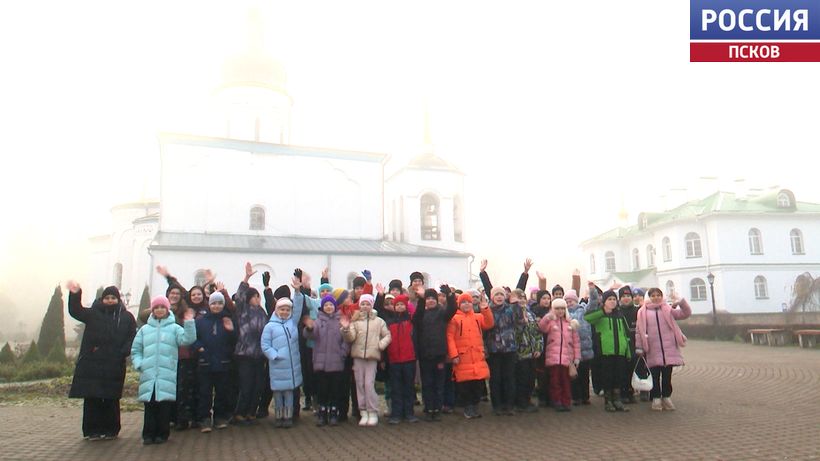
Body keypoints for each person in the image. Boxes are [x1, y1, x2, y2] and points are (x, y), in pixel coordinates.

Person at [66, 281, 136, 441]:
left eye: (113, 297)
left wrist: (124, 351)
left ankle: (111, 429)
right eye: (107, 297)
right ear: (102, 299)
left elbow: (132, 335)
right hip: (93, 363)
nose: (110, 300)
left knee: (111, 398)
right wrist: (75, 293)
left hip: (114, 363)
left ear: (118, 299)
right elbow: (75, 310)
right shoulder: (92, 314)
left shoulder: (126, 317)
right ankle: (92, 430)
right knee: (92, 398)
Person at [131, 296, 196, 444]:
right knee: (150, 406)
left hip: (166, 375)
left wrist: (190, 322)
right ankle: (148, 435)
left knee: (164, 407)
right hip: (149, 375)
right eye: (156, 308)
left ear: (167, 310)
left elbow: (187, 340)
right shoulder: (144, 330)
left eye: (162, 307)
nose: (159, 310)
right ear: (152, 311)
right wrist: (140, 364)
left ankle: (162, 434)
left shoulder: (174, 328)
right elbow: (136, 350)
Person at [635, 288, 691, 411]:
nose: (656, 298)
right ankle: (656, 398)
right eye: (653, 295)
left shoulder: (667, 309)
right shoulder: (642, 312)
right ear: (649, 297)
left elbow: (685, 313)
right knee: (654, 375)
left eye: (658, 295)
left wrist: (681, 301)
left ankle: (666, 397)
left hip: (668, 349)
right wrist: (639, 347)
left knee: (667, 376)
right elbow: (639, 331)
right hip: (652, 349)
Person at [341, 294, 391, 426]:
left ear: (372, 305)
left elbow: (387, 335)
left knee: (369, 385)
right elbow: (350, 338)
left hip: (372, 357)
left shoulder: (379, 321)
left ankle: (373, 411)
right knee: (360, 385)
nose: (365, 306)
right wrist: (346, 329)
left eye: (367, 304)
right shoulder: (355, 321)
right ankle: (363, 412)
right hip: (358, 357)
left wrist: (379, 346)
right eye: (362, 304)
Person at [412, 285, 457, 422]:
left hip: (439, 355)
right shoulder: (421, 314)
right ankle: (428, 408)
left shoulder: (442, 313)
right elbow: (416, 317)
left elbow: (452, 309)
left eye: (433, 298)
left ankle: (437, 408)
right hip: (425, 355)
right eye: (428, 298)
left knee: (438, 383)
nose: (430, 300)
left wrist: (449, 295)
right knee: (427, 383)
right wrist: (420, 298)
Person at [232, 263, 270, 425]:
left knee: (257, 385)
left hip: (259, 354)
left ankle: (251, 412)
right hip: (245, 353)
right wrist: (246, 278)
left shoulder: (262, 312)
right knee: (246, 385)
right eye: (254, 296)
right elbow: (240, 295)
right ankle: (240, 412)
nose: (256, 298)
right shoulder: (243, 309)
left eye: (257, 296)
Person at [193, 292, 236, 432]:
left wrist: (231, 331)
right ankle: (204, 418)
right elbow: (193, 337)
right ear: (209, 304)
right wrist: (199, 347)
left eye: (219, 303)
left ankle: (219, 417)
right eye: (213, 303)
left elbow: (234, 341)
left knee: (221, 392)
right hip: (205, 361)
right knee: (205, 392)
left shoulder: (227, 319)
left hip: (222, 362)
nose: (216, 306)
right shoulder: (200, 321)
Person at [447, 293, 494, 419]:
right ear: (459, 305)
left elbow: (489, 323)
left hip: (477, 356)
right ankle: (468, 407)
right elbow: (450, 338)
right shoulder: (454, 319)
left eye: (468, 302)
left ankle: (475, 406)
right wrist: (454, 354)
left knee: (478, 384)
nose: (466, 304)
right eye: (463, 302)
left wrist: (485, 309)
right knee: (465, 386)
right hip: (463, 357)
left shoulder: (478, 317)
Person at [304, 295, 349, 426]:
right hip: (321, 363)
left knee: (335, 389)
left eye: (331, 305)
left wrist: (343, 353)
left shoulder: (340, 320)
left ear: (335, 307)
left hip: (336, 362)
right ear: (322, 307)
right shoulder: (318, 321)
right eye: (326, 305)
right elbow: (311, 335)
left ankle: (334, 412)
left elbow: (346, 341)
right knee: (322, 389)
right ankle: (322, 413)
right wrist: (309, 328)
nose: (329, 307)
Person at [584, 290, 632, 412]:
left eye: (614, 299)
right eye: (609, 299)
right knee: (607, 376)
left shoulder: (620, 315)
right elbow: (587, 318)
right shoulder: (600, 315)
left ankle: (617, 400)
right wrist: (602, 312)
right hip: (605, 351)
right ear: (604, 302)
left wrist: (627, 350)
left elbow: (626, 334)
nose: (612, 302)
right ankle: (608, 401)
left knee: (618, 376)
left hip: (620, 351)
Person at [261, 297, 302, 428]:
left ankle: (288, 416)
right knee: (278, 394)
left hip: (291, 367)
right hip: (277, 366)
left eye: (287, 309)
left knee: (289, 393)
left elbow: (299, 307)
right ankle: (279, 416)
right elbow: (265, 345)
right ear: (276, 310)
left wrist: (297, 292)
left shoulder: (292, 323)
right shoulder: (270, 326)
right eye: (282, 309)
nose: (284, 312)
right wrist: (275, 355)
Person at [379, 290, 418, 424]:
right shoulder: (389, 322)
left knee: (408, 387)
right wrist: (383, 359)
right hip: (394, 359)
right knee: (396, 388)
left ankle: (409, 413)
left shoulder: (412, 320)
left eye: (402, 304)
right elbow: (385, 339)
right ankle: (396, 414)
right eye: (397, 305)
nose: (400, 307)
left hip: (409, 359)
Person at [539, 298, 581, 412]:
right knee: (555, 382)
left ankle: (566, 401)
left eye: (562, 308)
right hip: (553, 358)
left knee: (566, 382)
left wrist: (577, 357)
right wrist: (547, 317)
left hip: (567, 359)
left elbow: (576, 342)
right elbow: (541, 327)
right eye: (557, 308)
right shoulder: (550, 323)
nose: (560, 311)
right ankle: (557, 401)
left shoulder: (571, 323)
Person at [565, 289, 594, 405]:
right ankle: (575, 396)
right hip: (572, 350)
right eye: (567, 301)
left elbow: (593, 303)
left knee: (585, 374)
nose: (569, 303)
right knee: (574, 375)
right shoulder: (565, 314)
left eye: (571, 301)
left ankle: (585, 396)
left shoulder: (583, 310)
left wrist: (592, 291)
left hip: (585, 348)